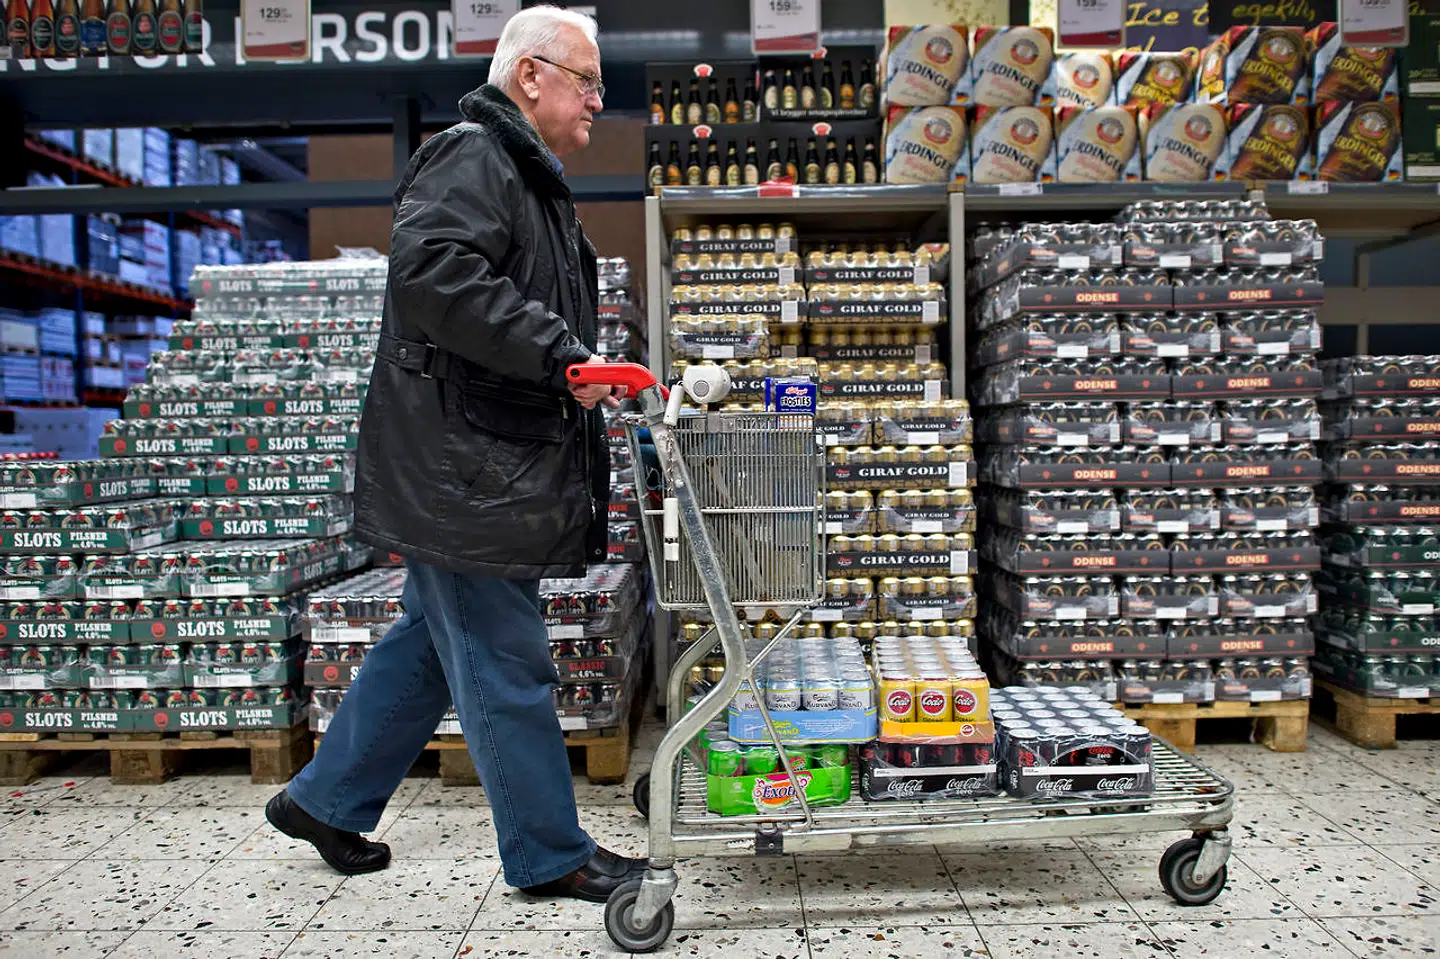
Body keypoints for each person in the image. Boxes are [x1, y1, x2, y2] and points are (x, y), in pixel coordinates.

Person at [265, 6, 642, 904]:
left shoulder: (524, 174)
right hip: (465, 470)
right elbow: (433, 272)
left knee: (433, 645)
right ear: (530, 77)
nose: (597, 99)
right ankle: (550, 853)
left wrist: (571, 365)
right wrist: (562, 355)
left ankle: (327, 798)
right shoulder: (476, 154)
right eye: (586, 81)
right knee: (505, 657)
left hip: (476, 461)